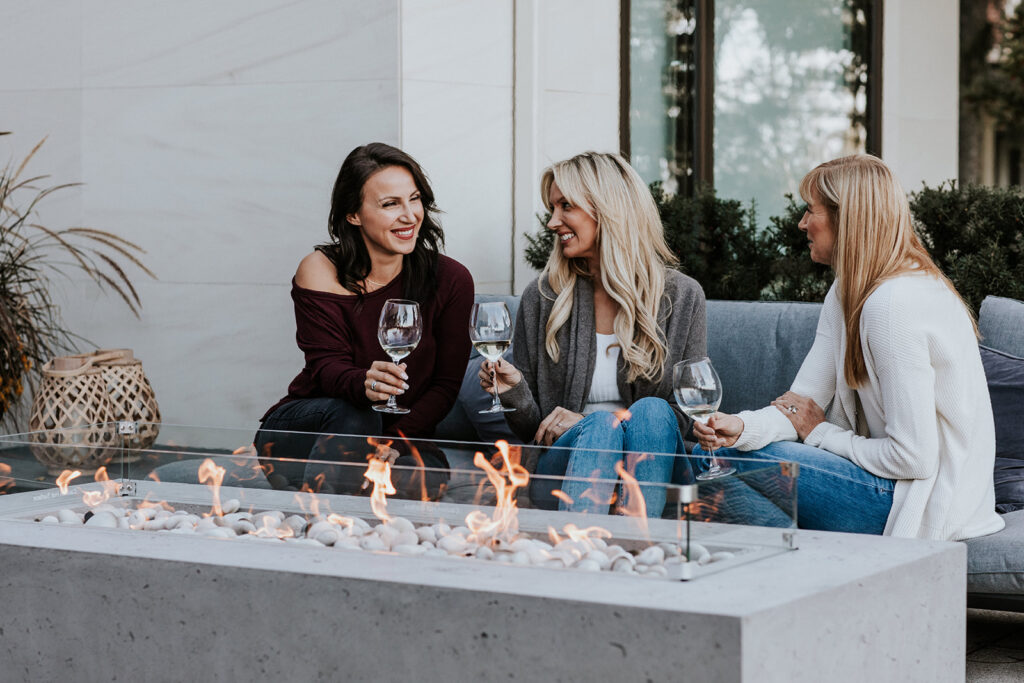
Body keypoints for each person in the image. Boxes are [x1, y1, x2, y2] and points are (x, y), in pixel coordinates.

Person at [693, 154, 1004, 540]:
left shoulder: (894, 305)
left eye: (811, 210)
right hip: (889, 483)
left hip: (923, 502)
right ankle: (807, 571)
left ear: (847, 217)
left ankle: (804, 574)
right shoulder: (850, 291)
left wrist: (821, 433)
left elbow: (914, 458)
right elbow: (802, 402)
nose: (802, 223)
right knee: (713, 455)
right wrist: (741, 427)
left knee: (719, 464)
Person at [481, 151, 706, 517]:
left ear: (608, 210)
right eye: (552, 208)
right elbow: (535, 431)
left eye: (565, 206)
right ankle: (590, 549)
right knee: (601, 425)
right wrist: (514, 391)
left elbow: (689, 415)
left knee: (651, 410)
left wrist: (606, 420)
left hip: (656, 465)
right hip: (565, 468)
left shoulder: (680, 296)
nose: (553, 222)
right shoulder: (543, 297)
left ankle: (627, 536)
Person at [256, 142, 474, 497]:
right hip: (317, 422)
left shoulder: (450, 280)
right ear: (353, 214)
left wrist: (395, 442)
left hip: (400, 437)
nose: (410, 215)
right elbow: (326, 367)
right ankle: (330, 522)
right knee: (357, 415)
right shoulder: (321, 269)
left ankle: (325, 507)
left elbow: (445, 386)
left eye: (414, 199)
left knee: (424, 478)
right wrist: (364, 384)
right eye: (390, 204)